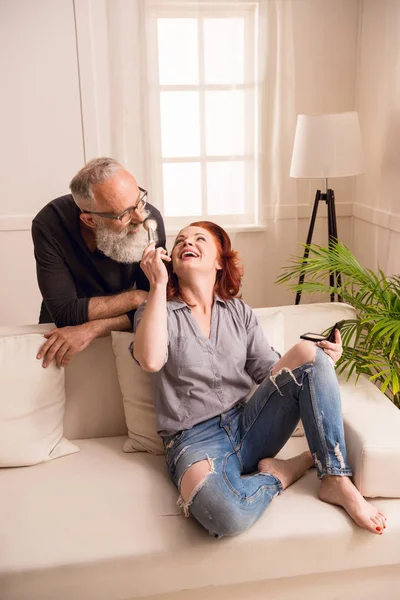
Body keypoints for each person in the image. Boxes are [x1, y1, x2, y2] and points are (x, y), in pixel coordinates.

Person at [132, 221, 387, 538]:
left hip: (249, 425)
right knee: (226, 515)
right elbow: (151, 359)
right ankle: (284, 473)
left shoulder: (239, 312)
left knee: (310, 353)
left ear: (219, 261)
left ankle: (335, 480)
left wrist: (321, 362)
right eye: (180, 240)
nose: (187, 242)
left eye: (199, 239)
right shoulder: (156, 311)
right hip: (194, 441)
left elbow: (271, 373)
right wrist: (156, 287)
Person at [32, 157, 166, 368]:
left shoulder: (150, 220)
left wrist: (91, 329)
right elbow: (65, 313)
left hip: (123, 326)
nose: (140, 218)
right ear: (90, 220)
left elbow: (157, 305)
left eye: (139, 201)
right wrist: (135, 298)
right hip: (62, 335)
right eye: (124, 214)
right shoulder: (50, 224)